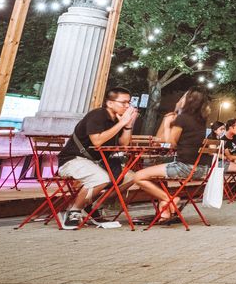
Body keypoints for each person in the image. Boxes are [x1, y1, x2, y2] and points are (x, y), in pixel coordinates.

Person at [56, 87, 139, 229]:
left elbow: (124, 144)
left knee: (131, 177)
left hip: (98, 162)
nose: (127, 106)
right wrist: (121, 123)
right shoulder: (98, 115)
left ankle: (92, 207)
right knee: (100, 178)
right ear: (110, 103)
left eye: (129, 103)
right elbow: (97, 141)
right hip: (73, 160)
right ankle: (73, 211)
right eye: (123, 103)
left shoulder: (117, 120)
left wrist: (128, 126)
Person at [130, 89, 211, 224]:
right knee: (156, 178)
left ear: (188, 101)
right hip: (201, 168)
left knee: (138, 176)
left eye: (183, 97)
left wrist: (168, 125)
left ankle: (170, 199)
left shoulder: (183, 118)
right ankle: (166, 212)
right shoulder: (199, 120)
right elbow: (161, 139)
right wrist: (167, 120)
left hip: (185, 167)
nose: (179, 100)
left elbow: (170, 143)